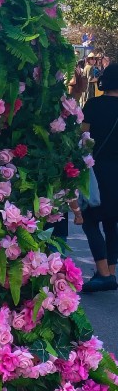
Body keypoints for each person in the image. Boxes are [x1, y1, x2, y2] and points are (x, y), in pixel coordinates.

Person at [80, 63, 118, 293]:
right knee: (112, 222)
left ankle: (103, 274)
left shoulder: (94, 104)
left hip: (97, 169)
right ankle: (110, 272)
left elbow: (83, 138)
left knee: (90, 219)